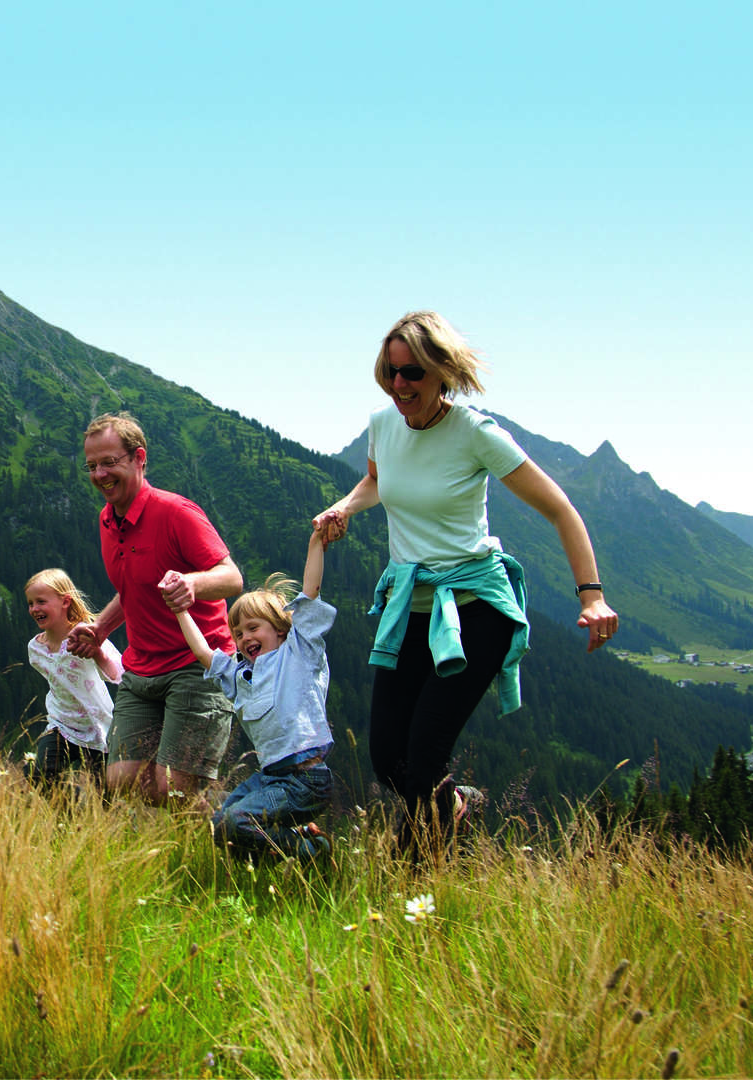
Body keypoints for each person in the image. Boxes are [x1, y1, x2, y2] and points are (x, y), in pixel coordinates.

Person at [312, 310, 620, 855]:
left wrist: (591, 597)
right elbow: (377, 480)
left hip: (476, 610)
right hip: (411, 609)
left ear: (441, 372)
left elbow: (560, 508)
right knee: (389, 758)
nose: (400, 385)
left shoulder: (476, 433)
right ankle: (455, 805)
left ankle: (413, 899)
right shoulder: (384, 425)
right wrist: (345, 507)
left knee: (425, 755)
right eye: (391, 372)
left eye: (412, 374)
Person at [66, 411, 244, 805]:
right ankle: (229, 813)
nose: (100, 475)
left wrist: (192, 583)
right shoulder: (107, 520)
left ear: (138, 458)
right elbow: (134, 588)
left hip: (198, 666)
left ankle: (248, 826)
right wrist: (99, 630)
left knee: (174, 791)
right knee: (120, 780)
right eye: (92, 466)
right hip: (142, 669)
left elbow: (232, 577)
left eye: (110, 462)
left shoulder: (176, 513)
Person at [170, 526, 335, 861]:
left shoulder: (298, 654)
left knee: (236, 822)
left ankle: (311, 852)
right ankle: (298, 840)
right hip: (271, 778)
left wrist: (316, 542)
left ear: (279, 628)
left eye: (253, 628)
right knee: (221, 826)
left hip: (306, 779)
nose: (244, 638)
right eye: (239, 632)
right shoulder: (242, 675)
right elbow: (204, 654)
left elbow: (310, 593)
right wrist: (180, 610)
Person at [22, 568, 123, 792]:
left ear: (65, 601)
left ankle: (105, 823)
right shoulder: (35, 649)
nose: (34, 609)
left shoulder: (87, 635)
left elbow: (118, 674)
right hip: (61, 725)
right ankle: (71, 817)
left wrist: (98, 653)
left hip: (98, 728)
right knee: (40, 774)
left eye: (41, 602)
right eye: (30, 603)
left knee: (108, 796)